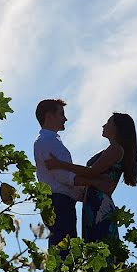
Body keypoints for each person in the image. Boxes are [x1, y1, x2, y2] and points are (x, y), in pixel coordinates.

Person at [45, 113, 137, 242]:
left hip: (99, 204)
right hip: (92, 201)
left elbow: (92, 172)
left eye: (108, 122)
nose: (104, 125)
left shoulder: (116, 149)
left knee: (100, 245)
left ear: (117, 128)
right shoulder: (111, 149)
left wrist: (60, 164)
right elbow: (95, 177)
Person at [33, 99, 82, 251]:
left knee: (65, 248)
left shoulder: (50, 140)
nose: (65, 118)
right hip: (59, 202)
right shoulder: (46, 141)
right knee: (64, 250)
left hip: (61, 201)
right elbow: (63, 176)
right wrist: (89, 186)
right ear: (49, 116)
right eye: (61, 114)